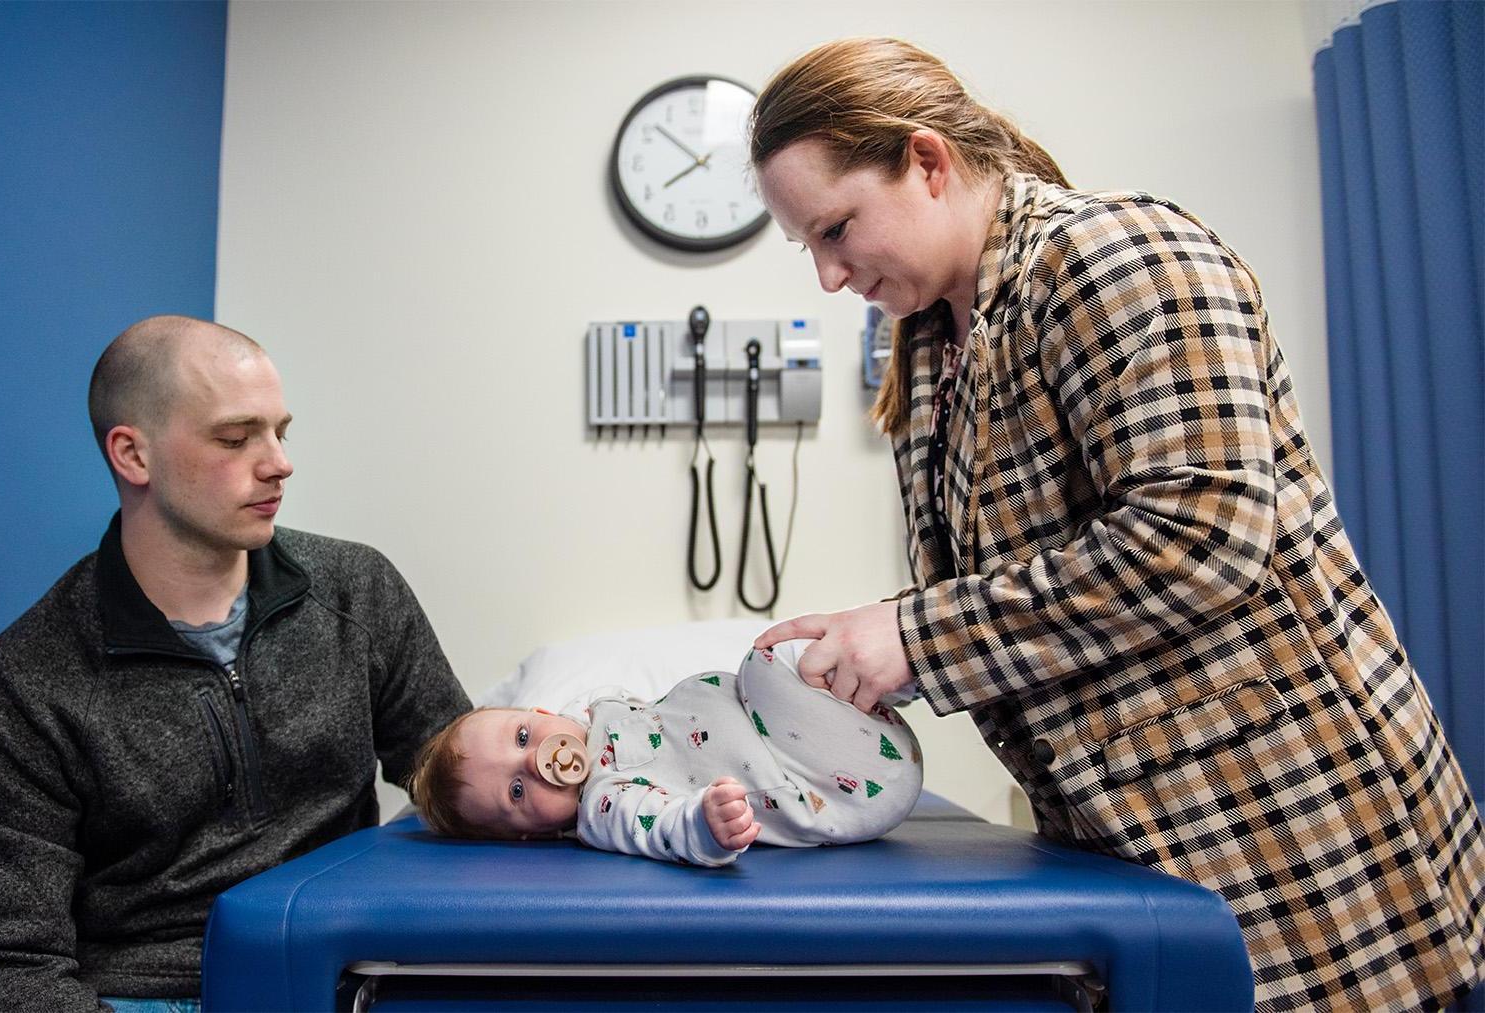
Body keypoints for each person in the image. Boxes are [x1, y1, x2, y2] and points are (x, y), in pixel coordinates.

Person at [746, 37, 1482, 1011]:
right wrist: (876, 651)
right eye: (810, 248)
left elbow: (1200, 537)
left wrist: (914, 637)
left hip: (1294, 829)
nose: (830, 278)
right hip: (1139, 837)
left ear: (926, 162)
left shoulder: (1112, 255)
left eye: (838, 229)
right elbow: (1023, 574)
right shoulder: (931, 340)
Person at [0, 316, 472, 1012]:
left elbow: (452, 774)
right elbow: (10, 960)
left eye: (281, 430)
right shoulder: (26, 682)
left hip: (341, 974)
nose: (279, 461)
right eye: (236, 437)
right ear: (133, 455)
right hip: (143, 994)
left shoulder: (355, 592)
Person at [410, 641, 923, 866]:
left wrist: (578, 718)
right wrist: (705, 826)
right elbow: (659, 827)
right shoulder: (604, 804)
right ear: (529, 835)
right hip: (828, 787)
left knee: (792, 657)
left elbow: (594, 701)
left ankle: (904, 663)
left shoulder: (598, 716)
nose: (533, 762)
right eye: (517, 791)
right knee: (770, 659)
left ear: (539, 710)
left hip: (843, 735)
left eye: (522, 737)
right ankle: (914, 666)